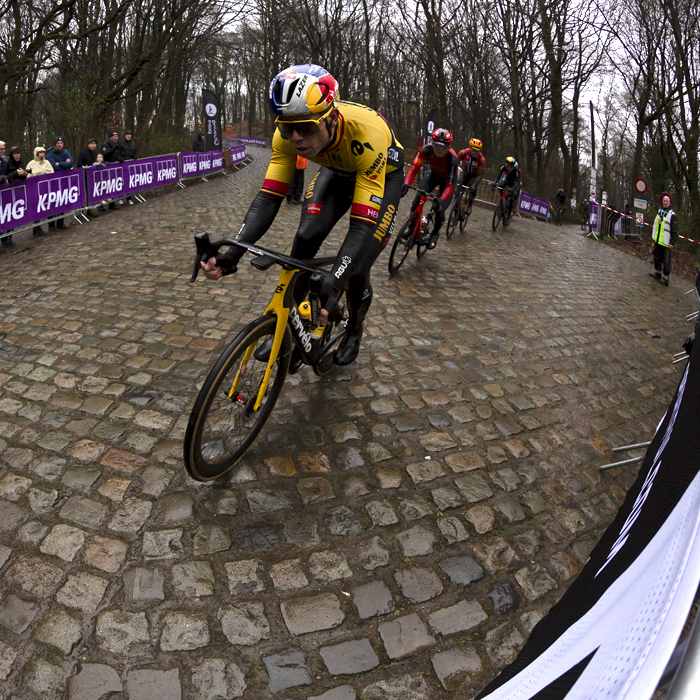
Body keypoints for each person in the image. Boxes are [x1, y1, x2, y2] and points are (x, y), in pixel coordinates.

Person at [200, 63, 404, 368]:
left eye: (306, 127)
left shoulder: (367, 135)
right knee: (305, 237)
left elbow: (361, 228)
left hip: (380, 176)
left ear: (331, 118)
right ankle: (288, 329)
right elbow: (269, 198)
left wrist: (335, 281)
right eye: (286, 126)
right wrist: (234, 252)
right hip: (337, 171)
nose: (295, 137)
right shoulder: (286, 137)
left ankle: (353, 331)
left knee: (357, 267)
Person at [402, 127, 458, 249]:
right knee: (418, 197)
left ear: (449, 147)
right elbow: (414, 169)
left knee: (440, 209)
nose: (440, 149)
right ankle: (412, 225)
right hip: (433, 175)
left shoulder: (453, 159)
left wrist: (441, 200)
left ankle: (435, 234)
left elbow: (449, 185)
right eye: (437, 145)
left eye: (444, 146)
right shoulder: (426, 150)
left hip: (447, 182)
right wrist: (406, 184)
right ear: (432, 143)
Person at [1, 146, 28, 247]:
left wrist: (24, 175)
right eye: (15, 153)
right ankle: (3, 239)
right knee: (4, 215)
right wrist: (15, 173)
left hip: (14, 192)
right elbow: (4, 178)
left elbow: (21, 178)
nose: (17, 155)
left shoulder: (20, 161)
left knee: (11, 215)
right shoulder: (6, 161)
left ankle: (10, 238)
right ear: (12, 154)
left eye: (19, 153)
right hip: (4, 192)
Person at [649, 192, 677, 286]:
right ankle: (657, 272)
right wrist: (653, 238)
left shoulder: (672, 215)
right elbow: (655, 226)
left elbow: (674, 230)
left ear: (670, 203)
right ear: (662, 202)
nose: (665, 202)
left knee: (666, 261)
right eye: (664, 201)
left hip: (666, 242)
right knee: (657, 257)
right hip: (658, 240)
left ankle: (666, 276)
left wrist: (672, 242)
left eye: (667, 201)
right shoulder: (659, 212)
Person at [45, 137, 74, 229]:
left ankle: (60, 222)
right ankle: (51, 224)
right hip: (53, 181)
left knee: (62, 200)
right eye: (58, 143)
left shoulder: (65, 152)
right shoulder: (50, 154)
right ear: (55, 144)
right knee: (53, 201)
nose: (60, 144)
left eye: (61, 143)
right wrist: (65, 165)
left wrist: (60, 163)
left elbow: (71, 163)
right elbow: (53, 167)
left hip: (63, 180)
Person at [26, 146, 54, 236]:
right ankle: (37, 228)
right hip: (35, 189)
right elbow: (28, 176)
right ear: (36, 154)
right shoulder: (31, 164)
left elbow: (52, 172)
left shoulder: (47, 162)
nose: (42, 154)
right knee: (37, 208)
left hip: (46, 188)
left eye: (43, 152)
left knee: (49, 205)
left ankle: (51, 224)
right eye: (40, 152)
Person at [456, 138, 486, 216]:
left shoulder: (482, 159)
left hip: (474, 176)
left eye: (477, 151)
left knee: (473, 188)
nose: (475, 152)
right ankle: (456, 207)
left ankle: (469, 204)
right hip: (465, 173)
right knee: (458, 190)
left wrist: (474, 185)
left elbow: (480, 175)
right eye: (473, 150)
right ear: (470, 148)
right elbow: (455, 164)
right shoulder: (463, 153)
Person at [119, 130, 137, 204]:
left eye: (129, 134)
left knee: (130, 182)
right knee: (122, 182)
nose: (128, 136)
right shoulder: (121, 143)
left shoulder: (133, 144)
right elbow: (118, 153)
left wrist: (135, 161)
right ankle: (120, 198)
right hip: (123, 165)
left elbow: (135, 153)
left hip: (130, 165)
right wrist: (120, 159)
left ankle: (129, 198)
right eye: (127, 135)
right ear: (125, 135)